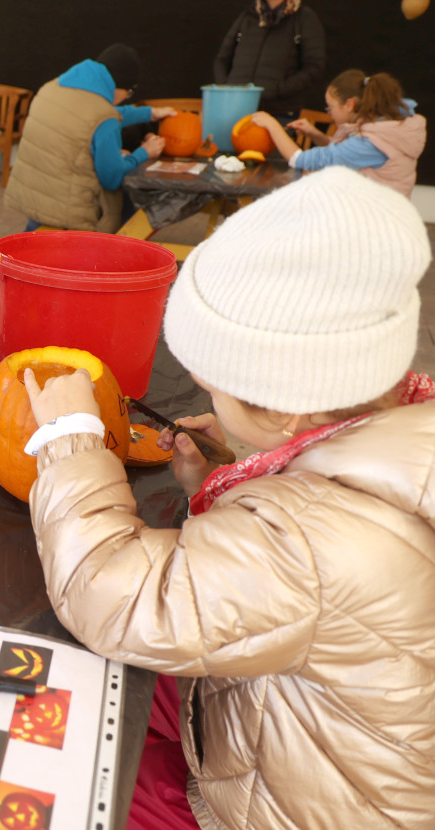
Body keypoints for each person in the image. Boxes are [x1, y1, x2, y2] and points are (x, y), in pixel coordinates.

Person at [22, 166, 435, 827]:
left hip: (293, 805)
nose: (205, 397)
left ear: (285, 410)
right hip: (295, 711)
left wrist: (69, 441)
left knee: (59, 776)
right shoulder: (401, 432)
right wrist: (241, 473)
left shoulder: (308, 540)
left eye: (214, 387)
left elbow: (113, 596)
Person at [4, 44, 174, 234]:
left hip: (33, 198)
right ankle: (121, 247)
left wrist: (149, 113)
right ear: (119, 85)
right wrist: (143, 153)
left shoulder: (51, 89)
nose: (126, 98)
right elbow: (112, 178)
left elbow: (89, 118)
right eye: (129, 92)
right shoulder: (104, 116)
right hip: (69, 214)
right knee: (130, 203)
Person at [251, 69, 427, 197]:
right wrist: (316, 135)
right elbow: (346, 152)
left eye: (330, 107)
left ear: (349, 105)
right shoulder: (388, 126)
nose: (329, 113)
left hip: (371, 222)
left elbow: (300, 160)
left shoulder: (369, 144)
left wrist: (271, 124)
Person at [214, 0, 326, 120]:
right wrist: (226, 87)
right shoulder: (248, 16)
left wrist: (280, 90)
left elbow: (315, 65)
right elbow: (222, 59)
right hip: (235, 108)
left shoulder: (304, 17)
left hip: (278, 112)